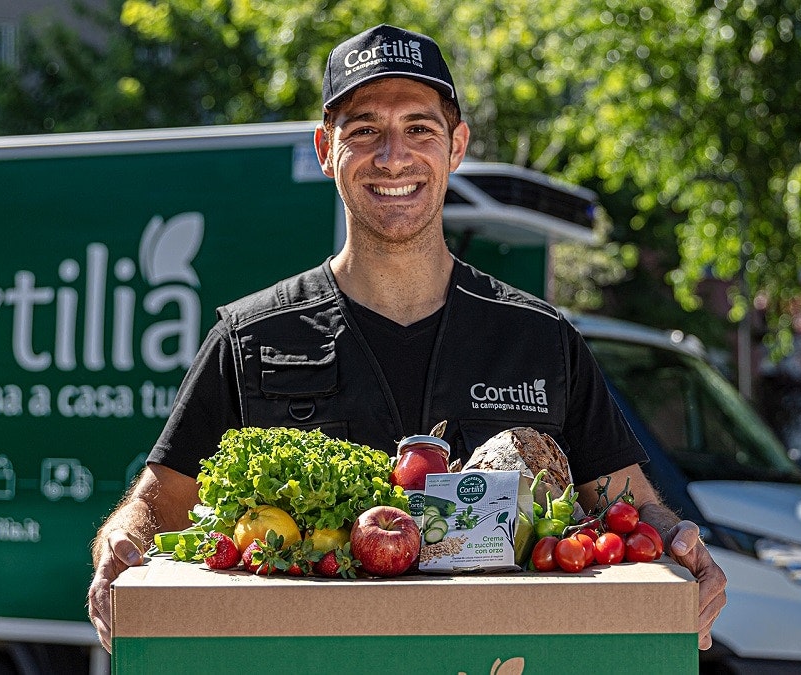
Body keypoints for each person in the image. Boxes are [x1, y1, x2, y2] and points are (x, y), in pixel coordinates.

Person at [88, 24, 726, 652]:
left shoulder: (541, 339)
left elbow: (635, 513)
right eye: (365, 130)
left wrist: (683, 554)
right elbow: (155, 508)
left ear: (456, 146)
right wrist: (119, 547)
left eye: (419, 129)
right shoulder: (250, 338)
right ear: (325, 149)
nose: (393, 156)